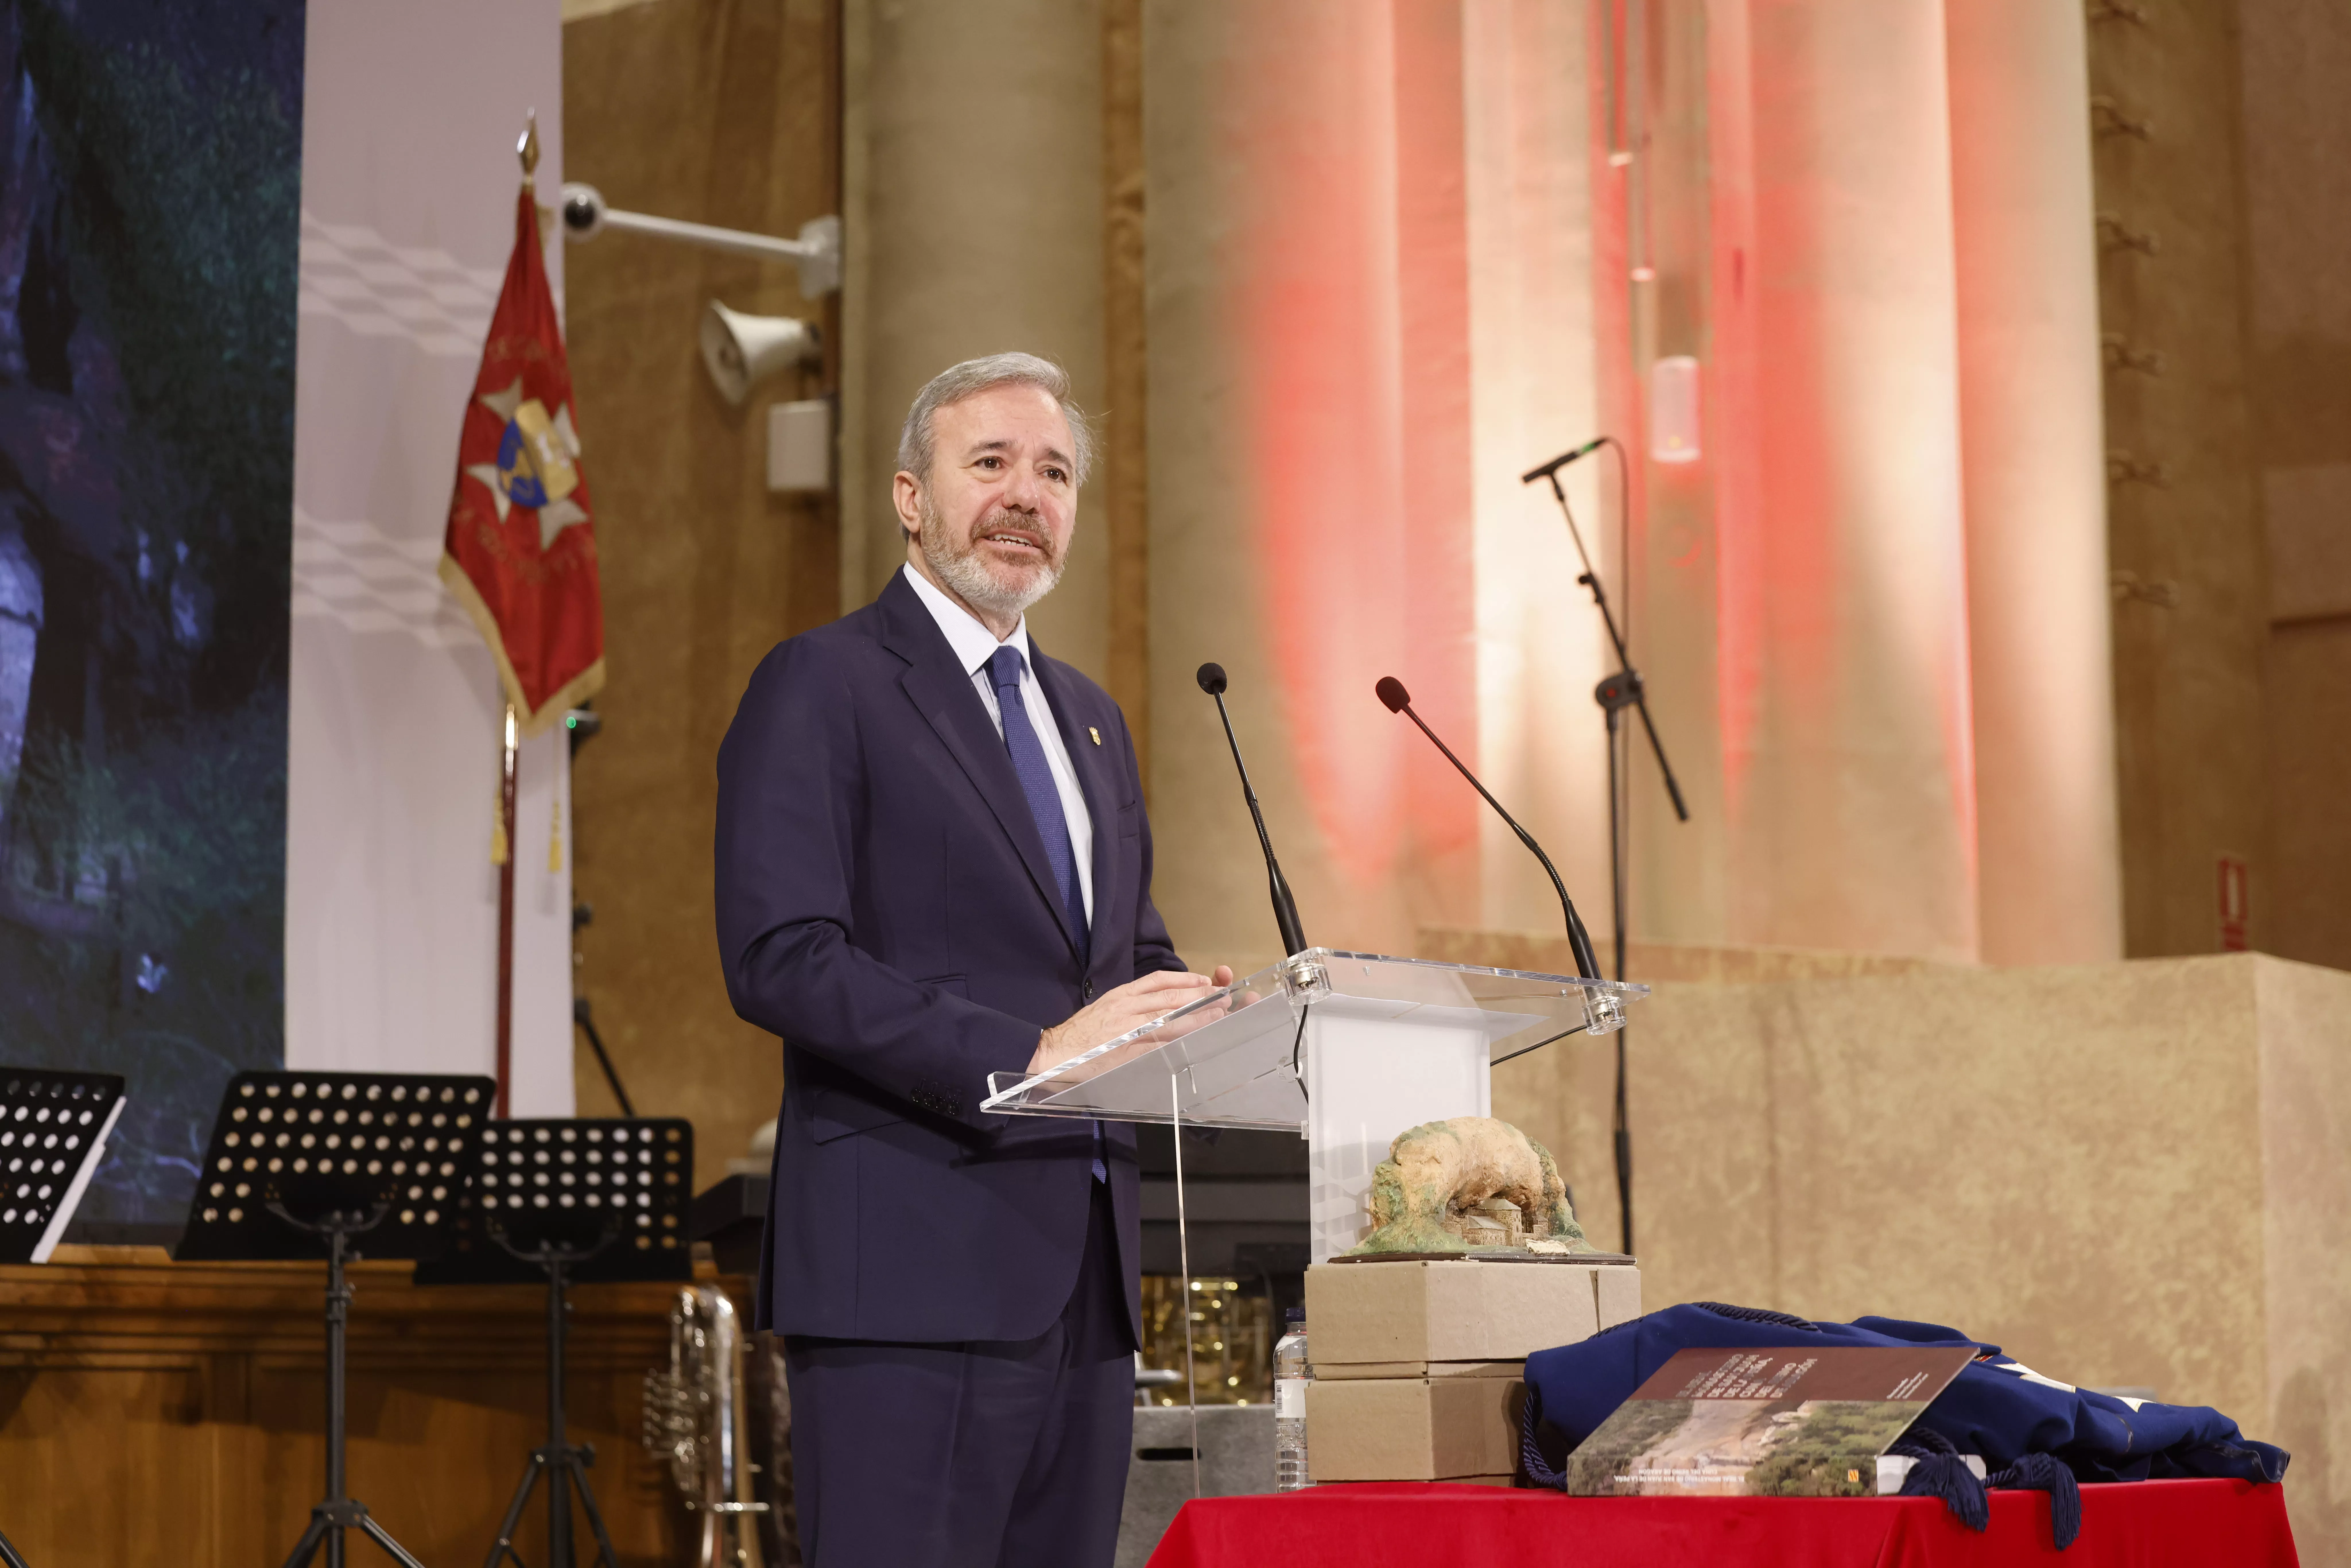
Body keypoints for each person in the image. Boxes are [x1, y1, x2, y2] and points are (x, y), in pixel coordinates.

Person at [714, 352, 1231, 1567]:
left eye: (1052, 472)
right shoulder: (825, 681)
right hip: (909, 1269)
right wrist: (1028, 1053)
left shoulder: (1089, 718)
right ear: (909, 495)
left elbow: (1118, 956)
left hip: (1087, 1292)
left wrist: (1214, 1010)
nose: (1024, 494)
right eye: (988, 462)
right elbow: (780, 955)